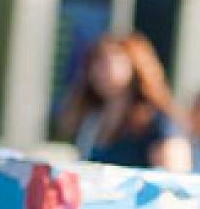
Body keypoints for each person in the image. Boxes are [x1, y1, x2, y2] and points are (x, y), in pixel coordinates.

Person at [58, 33, 190, 171]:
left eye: (107, 63)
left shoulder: (157, 121)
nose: (99, 71)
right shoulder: (91, 120)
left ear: (134, 66)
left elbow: (174, 178)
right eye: (95, 63)